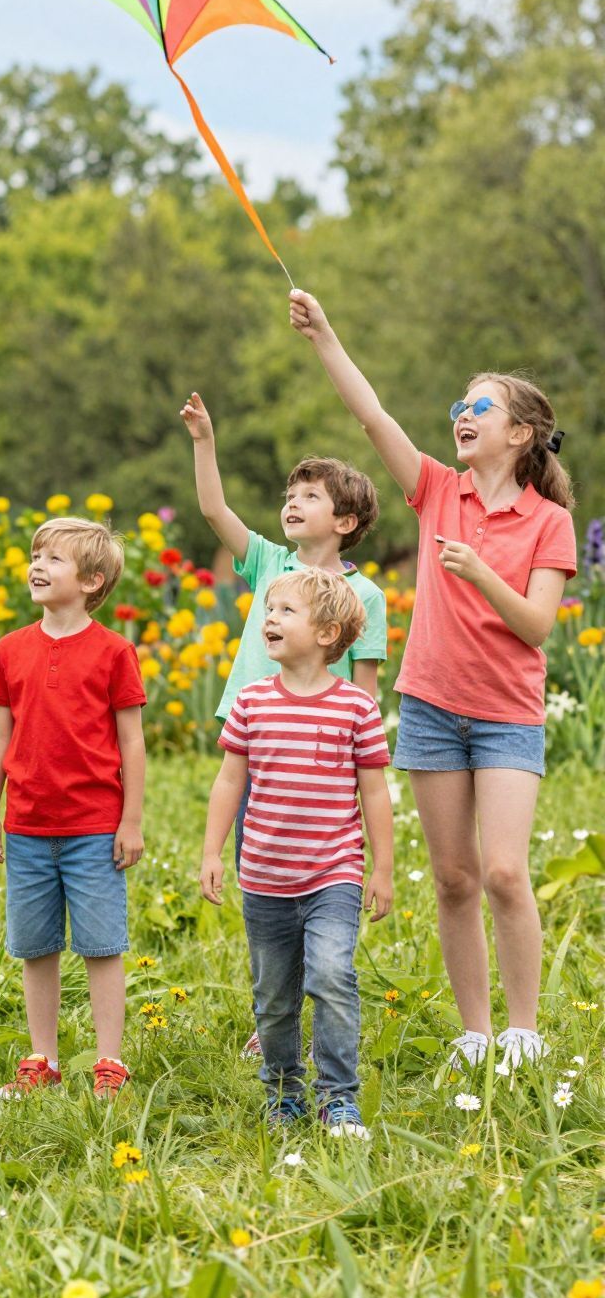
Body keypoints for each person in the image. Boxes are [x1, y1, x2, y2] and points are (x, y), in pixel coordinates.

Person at [291, 289, 576, 1069]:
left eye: (480, 407)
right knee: (453, 879)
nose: (463, 414)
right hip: (431, 709)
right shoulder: (436, 490)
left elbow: (537, 626)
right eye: (460, 404)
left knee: (505, 871)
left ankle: (523, 1031)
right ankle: (475, 1034)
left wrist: (481, 572)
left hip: (506, 715)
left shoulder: (547, 523)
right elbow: (372, 415)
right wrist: (325, 335)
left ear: (519, 433)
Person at [180, 390, 388, 1059]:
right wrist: (205, 441)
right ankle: (272, 1012)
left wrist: (361, 784)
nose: (292, 504)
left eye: (310, 497)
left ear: (347, 519)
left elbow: (365, 691)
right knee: (265, 883)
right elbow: (214, 509)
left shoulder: (368, 598)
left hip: (321, 765)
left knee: (317, 885)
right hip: (257, 748)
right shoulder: (270, 564)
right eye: (289, 495)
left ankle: (310, 1004)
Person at [199, 568, 394, 1134]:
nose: (270, 620)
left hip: (334, 872)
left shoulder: (356, 707)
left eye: (286, 611)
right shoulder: (252, 703)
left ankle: (339, 1098)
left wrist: (381, 868)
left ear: (329, 632)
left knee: (332, 975)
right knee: (274, 998)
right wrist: (213, 853)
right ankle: (284, 1093)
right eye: (270, 610)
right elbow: (229, 782)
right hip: (264, 876)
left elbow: (375, 792)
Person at [0, 518, 146, 1099]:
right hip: (25, 827)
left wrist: (130, 821)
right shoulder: (9, 650)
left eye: (54, 558)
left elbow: (132, 743)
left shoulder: (114, 652)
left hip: (94, 829)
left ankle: (109, 1063)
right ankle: (41, 1059)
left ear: (93, 579)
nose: (39, 565)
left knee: (102, 946)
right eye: (36, 555)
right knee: (36, 946)